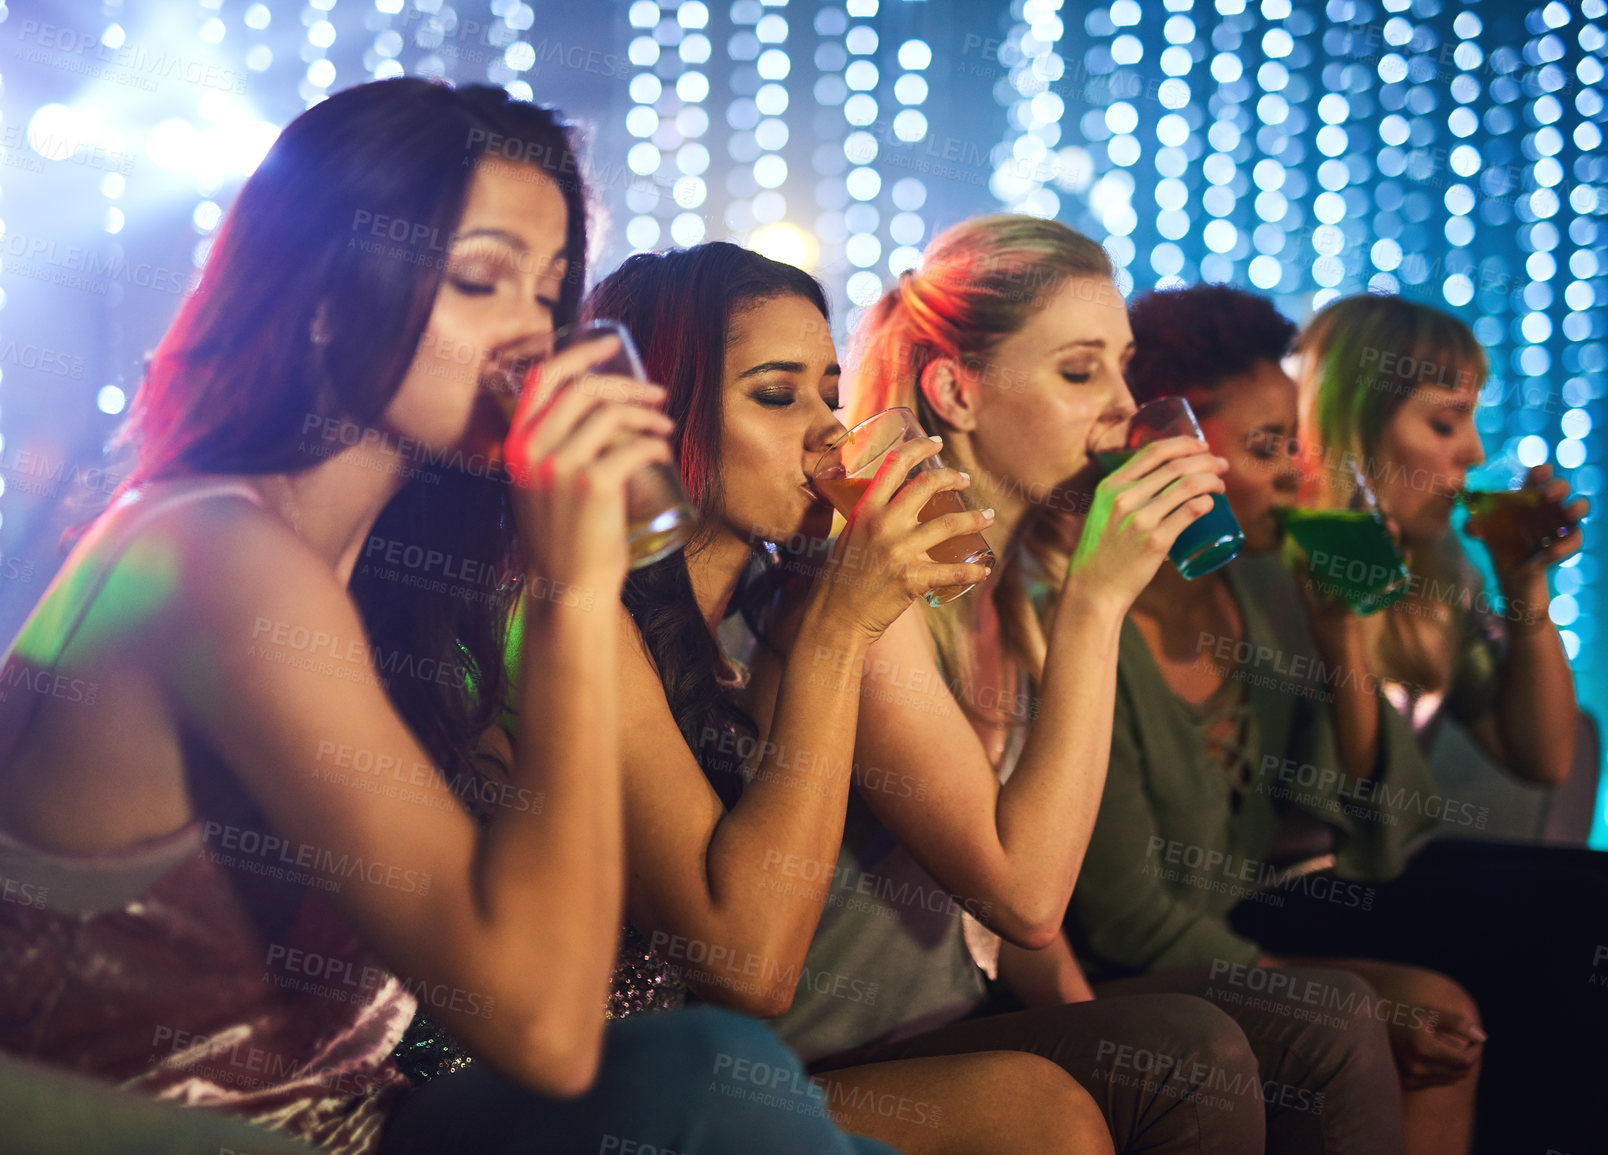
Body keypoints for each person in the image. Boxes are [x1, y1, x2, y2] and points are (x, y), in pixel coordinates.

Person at [0, 79, 895, 1155]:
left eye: (550, 291)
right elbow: (550, 1030)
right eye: (481, 281)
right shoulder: (214, 558)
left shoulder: (362, 572)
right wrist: (573, 589)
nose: (530, 334)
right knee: (710, 1074)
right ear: (325, 298)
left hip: (359, 1122)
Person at [552, 239, 1263, 1154]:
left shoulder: (814, 592)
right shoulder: (594, 614)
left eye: (830, 393)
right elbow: (763, 967)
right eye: (776, 395)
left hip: (879, 1028)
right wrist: (1089, 604)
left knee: (1205, 1049)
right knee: (1103, 1087)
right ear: (661, 416)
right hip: (660, 1073)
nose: (824, 431)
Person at [758, 214, 1408, 1152]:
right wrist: (1098, 604)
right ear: (955, 391)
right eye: (1078, 370)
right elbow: (1023, 895)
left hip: (955, 1014)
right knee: (1199, 1047)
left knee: (1322, 1016)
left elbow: (1031, 929)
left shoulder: (1015, 581)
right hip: (830, 1052)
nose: (1121, 404)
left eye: (1123, 365)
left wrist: (1084, 1019)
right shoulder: (870, 576)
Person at [1230, 292, 1608, 1155]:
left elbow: (1540, 753)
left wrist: (1521, 582)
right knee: (1584, 926)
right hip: (1274, 886)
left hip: (1377, 865)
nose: (1474, 454)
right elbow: (1349, 800)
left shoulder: (1439, 568)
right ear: (1362, 421)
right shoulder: (1280, 557)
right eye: (1445, 421)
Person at [1066, 284, 1482, 1155]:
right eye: (1266, 446)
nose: (1298, 469)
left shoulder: (1258, 584)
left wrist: (1341, 638)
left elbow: (1375, 826)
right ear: (1165, 445)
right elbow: (1127, 922)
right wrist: (1313, 987)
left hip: (1238, 931)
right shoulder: (1081, 616)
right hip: (1120, 972)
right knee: (1404, 1005)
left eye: (1293, 441)